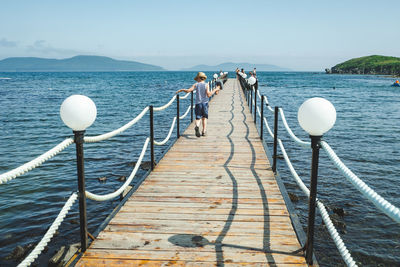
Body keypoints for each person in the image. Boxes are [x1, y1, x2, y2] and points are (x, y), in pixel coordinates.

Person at [176, 72, 220, 137]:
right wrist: (215, 89)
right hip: (204, 103)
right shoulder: (206, 85)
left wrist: (182, 90)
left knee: (198, 118)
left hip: (198, 104)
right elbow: (208, 94)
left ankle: (197, 126)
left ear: (198, 78)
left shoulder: (196, 84)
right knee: (204, 118)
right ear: (203, 78)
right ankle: (204, 131)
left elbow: (188, 90)